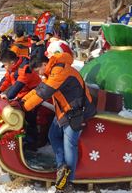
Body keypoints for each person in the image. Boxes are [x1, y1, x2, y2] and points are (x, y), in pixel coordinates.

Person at [22, 50, 96, 191]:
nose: (39, 74)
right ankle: (62, 168)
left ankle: (68, 181)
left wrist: (24, 107)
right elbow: (40, 88)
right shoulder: (53, 70)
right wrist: (22, 101)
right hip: (64, 110)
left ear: (45, 64)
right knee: (53, 135)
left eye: (38, 70)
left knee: (70, 146)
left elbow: (45, 92)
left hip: (76, 112)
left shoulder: (60, 70)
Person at [0, 51, 42, 148]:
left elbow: (19, 84)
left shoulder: (25, 67)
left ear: (12, 63)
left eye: (5, 65)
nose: (4, 67)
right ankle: (24, 137)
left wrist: (8, 95)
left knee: (30, 117)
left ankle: (32, 142)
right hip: (23, 94)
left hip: (34, 93)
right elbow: (6, 80)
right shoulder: (12, 68)